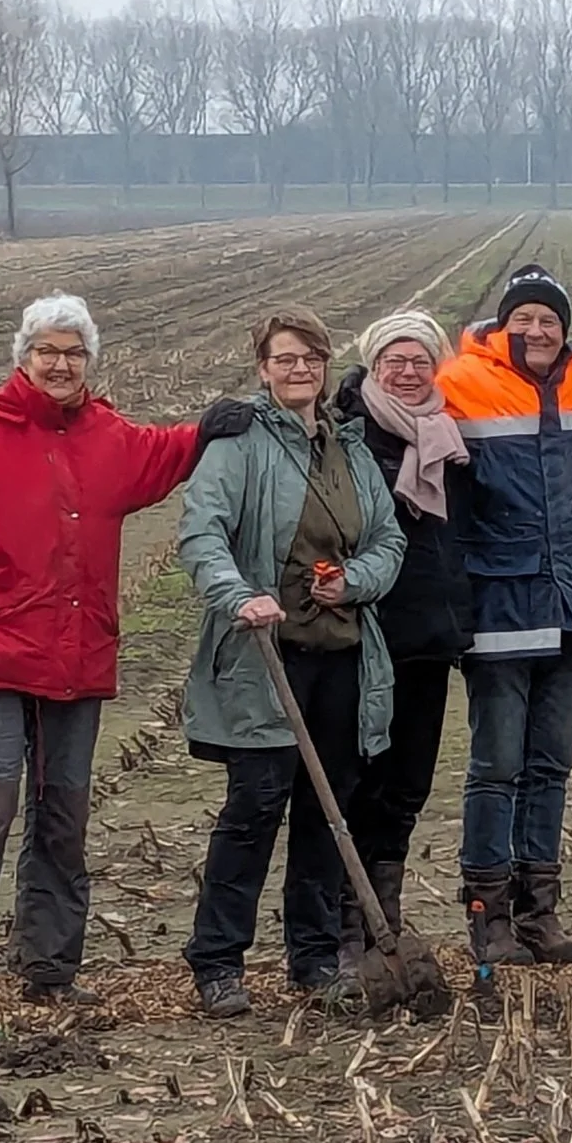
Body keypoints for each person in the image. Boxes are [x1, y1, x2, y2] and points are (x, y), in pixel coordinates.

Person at [0, 293, 255, 1023]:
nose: (61, 364)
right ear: (24, 357)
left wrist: (209, 428)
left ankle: (50, 967)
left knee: (63, 820)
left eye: (74, 353)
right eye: (48, 351)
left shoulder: (108, 435)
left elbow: (165, 453)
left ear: (89, 361)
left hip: (77, 658)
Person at [177, 310, 406, 1018]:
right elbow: (202, 531)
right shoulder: (240, 442)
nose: (300, 369)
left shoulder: (349, 446)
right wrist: (238, 595)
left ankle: (314, 959)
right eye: (285, 358)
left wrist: (355, 581)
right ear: (263, 368)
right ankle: (218, 961)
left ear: (325, 365)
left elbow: (389, 539)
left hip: (343, 656)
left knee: (326, 813)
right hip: (265, 657)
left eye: (311, 357)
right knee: (255, 806)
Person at [435, 264, 572, 974]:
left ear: (565, 328)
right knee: (497, 765)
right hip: (500, 601)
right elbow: (393, 398)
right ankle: (487, 915)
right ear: (502, 325)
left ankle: (539, 913)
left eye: (548, 319)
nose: (536, 330)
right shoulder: (460, 379)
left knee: (552, 764)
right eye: (522, 318)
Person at [331, 309, 472, 970]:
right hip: (364, 635)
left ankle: (383, 919)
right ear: (374, 364)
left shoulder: (448, 431)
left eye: (420, 361)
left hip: (429, 636)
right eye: (396, 360)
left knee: (409, 785)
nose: (408, 372)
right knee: (360, 779)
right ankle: (343, 923)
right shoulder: (344, 433)